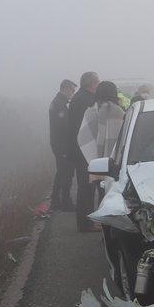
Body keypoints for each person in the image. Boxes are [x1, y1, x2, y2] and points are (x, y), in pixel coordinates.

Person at [78, 81, 126, 203]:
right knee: (110, 194)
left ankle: (89, 215)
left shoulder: (90, 111)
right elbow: (122, 137)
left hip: (95, 164)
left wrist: (94, 157)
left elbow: (83, 137)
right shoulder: (118, 112)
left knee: (95, 192)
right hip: (114, 162)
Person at [67, 71, 100, 232]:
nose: (99, 85)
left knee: (87, 186)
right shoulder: (86, 100)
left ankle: (86, 221)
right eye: (97, 82)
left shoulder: (79, 97)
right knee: (86, 187)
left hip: (79, 148)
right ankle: (85, 224)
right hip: (84, 150)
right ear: (92, 84)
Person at [48, 79, 77, 212]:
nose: (73, 93)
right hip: (62, 144)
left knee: (61, 172)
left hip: (60, 143)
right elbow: (64, 126)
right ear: (65, 88)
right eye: (72, 90)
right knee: (66, 173)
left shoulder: (59, 102)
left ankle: (56, 200)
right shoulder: (59, 104)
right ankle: (65, 202)